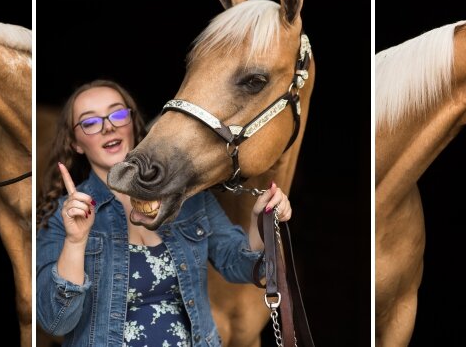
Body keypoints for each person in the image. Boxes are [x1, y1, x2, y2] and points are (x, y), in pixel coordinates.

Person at [36, 80, 293, 347]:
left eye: (118, 114)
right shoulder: (61, 217)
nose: (108, 126)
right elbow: (55, 321)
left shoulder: (188, 199)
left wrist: (259, 221)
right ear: (76, 143)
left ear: (133, 125)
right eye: (90, 122)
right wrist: (76, 242)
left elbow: (240, 266)